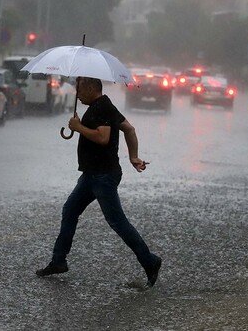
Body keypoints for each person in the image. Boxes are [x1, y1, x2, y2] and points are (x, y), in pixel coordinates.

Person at [36, 77, 162, 287]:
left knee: (117, 222)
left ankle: (149, 260)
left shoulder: (101, 107)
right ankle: (59, 261)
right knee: (70, 210)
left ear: (91, 87)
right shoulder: (103, 105)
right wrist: (133, 157)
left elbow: (103, 138)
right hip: (91, 175)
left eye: (80, 89)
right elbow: (130, 130)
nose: (77, 93)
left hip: (102, 176)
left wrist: (78, 127)